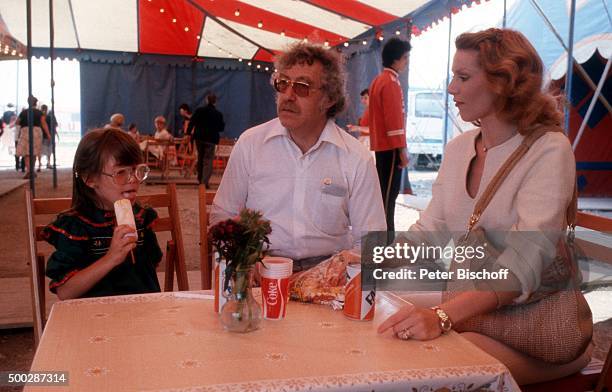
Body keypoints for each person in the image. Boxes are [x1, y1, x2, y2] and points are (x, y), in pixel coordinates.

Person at [377, 28, 591, 385]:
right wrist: (366, 263)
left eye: (462, 77)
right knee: (391, 336)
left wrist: (442, 316)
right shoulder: (460, 148)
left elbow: (522, 266)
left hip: (541, 337)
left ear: (503, 83)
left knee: (427, 369)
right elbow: (430, 232)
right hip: (477, 321)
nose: (451, 88)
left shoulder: (549, 149)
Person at [210, 42, 386, 272]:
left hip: (327, 275)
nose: (288, 95)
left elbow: (373, 242)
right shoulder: (251, 144)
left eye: (302, 86)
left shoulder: (355, 158)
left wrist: (339, 271)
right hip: (260, 270)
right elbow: (222, 216)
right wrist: (242, 260)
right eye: (282, 84)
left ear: (329, 99)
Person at [42, 128, 162, 299]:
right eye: (120, 172)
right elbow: (65, 292)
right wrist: (111, 258)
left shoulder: (142, 218)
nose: (133, 179)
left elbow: (152, 263)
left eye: (137, 170)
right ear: (90, 178)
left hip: (143, 310)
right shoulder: (76, 227)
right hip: (93, 318)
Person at [368, 38, 412, 232]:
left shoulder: (378, 81)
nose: (406, 62)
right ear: (396, 59)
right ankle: (386, 241)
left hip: (381, 145)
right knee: (389, 196)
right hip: (390, 146)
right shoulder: (391, 82)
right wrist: (402, 150)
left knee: (384, 195)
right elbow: (394, 120)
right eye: (405, 58)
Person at [188, 94, 225, 187]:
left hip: (199, 138)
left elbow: (192, 121)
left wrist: (188, 133)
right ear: (215, 102)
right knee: (208, 160)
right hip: (211, 140)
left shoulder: (199, 110)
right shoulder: (218, 114)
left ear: (206, 100)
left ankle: (200, 180)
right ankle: (204, 182)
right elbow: (221, 128)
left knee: (200, 158)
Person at [15, 96, 50, 178]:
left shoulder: (24, 112)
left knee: (26, 152)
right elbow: (43, 124)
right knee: (34, 152)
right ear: (36, 103)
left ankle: (29, 171)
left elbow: (17, 122)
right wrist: (48, 134)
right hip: (36, 131)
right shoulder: (39, 112)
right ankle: (32, 170)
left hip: (25, 131)